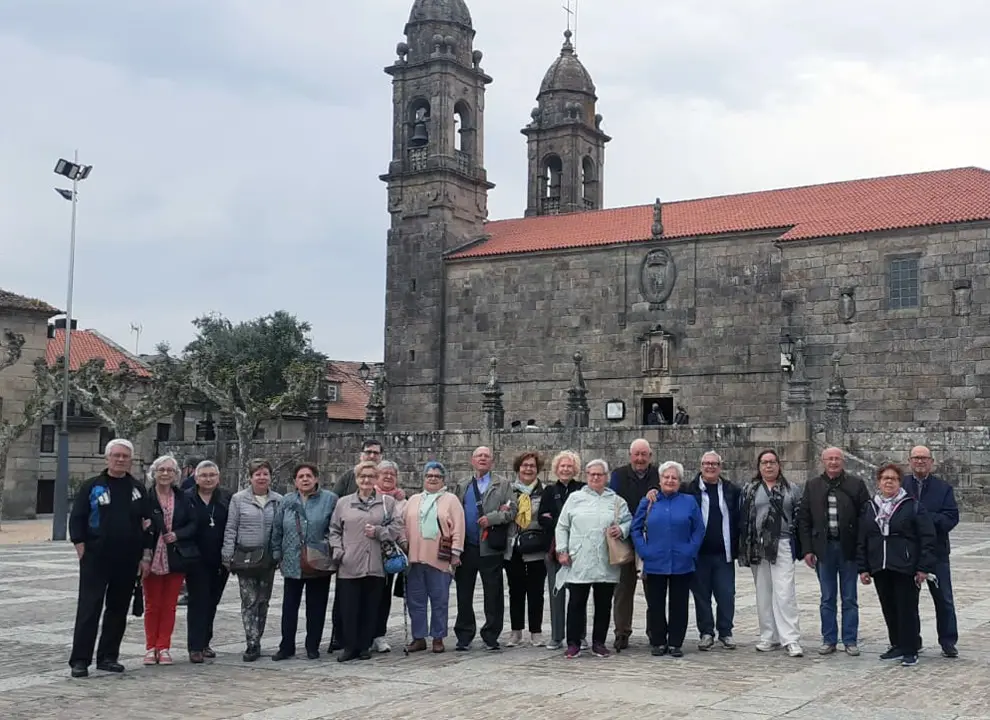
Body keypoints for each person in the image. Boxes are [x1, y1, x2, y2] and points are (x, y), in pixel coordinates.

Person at [68, 439, 154, 678]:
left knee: (117, 609)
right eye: (116, 455)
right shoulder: (91, 486)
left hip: (127, 559)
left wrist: (145, 556)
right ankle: (80, 660)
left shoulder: (138, 489)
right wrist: (81, 547)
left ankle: (108, 656)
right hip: (96, 557)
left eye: (125, 456)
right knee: (89, 608)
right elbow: (77, 518)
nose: (120, 459)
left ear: (131, 460)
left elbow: (147, 525)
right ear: (107, 458)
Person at [857, 463, 936, 667]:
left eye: (893, 478)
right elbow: (863, 538)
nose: (889, 481)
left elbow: (927, 537)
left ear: (900, 482)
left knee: (907, 608)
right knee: (889, 607)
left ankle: (910, 648)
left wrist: (922, 567)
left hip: (905, 564)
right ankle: (897, 644)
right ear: (879, 482)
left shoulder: (912, 505)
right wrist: (863, 567)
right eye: (885, 478)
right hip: (880, 565)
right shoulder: (870, 506)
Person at [329, 460, 405, 662]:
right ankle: (349, 646)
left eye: (371, 476)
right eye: (362, 476)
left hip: (375, 563)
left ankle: (364, 646)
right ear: (356, 479)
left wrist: (380, 532)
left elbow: (397, 527)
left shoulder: (387, 503)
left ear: (376, 479)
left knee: (371, 607)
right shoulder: (343, 503)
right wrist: (338, 551)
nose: (366, 480)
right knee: (349, 607)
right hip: (349, 563)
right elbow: (334, 530)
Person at [797, 446, 870, 656]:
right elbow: (804, 519)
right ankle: (829, 639)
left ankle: (850, 639)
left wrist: (861, 549)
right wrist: (807, 549)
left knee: (849, 597)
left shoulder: (856, 485)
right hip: (824, 549)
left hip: (848, 548)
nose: (833, 462)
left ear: (843, 462)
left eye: (837, 459)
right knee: (827, 597)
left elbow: (865, 518)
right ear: (823, 462)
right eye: (829, 459)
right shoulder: (813, 486)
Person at [555, 459, 632, 659]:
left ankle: (599, 642)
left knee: (603, 603)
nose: (596, 478)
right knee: (576, 603)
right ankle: (573, 642)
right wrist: (562, 550)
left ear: (606, 477)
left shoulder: (616, 500)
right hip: (579, 558)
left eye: (600, 474)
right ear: (587, 476)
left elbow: (628, 521)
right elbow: (562, 526)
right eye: (592, 474)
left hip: (606, 559)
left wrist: (621, 529)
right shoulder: (575, 498)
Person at [632, 461, 704, 657]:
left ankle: (675, 642)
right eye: (666, 477)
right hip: (655, 560)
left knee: (679, 604)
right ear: (660, 480)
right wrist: (644, 550)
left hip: (682, 560)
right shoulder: (648, 501)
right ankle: (658, 641)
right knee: (655, 604)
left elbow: (699, 529)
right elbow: (636, 528)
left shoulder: (689, 501)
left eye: (674, 478)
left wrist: (691, 550)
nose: (670, 480)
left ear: (680, 481)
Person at [739, 449, 804, 657]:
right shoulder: (750, 489)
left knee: (784, 592)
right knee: (763, 593)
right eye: (764, 462)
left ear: (779, 465)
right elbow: (745, 518)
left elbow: (798, 517)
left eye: (772, 462)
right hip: (758, 545)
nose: (768, 466)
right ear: (759, 466)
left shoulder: (790, 489)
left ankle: (790, 638)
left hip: (782, 543)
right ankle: (769, 635)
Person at [270, 463, 338, 661]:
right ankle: (286, 646)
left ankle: (312, 645)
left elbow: (334, 527)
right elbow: (277, 528)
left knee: (316, 606)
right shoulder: (287, 501)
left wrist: (326, 546)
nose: (305, 479)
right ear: (295, 481)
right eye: (301, 476)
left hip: (318, 560)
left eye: (309, 476)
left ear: (316, 479)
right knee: (289, 606)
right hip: (292, 559)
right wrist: (276, 553)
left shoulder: (330, 500)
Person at [452, 446, 516, 652]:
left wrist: (493, 518)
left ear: (492, 461)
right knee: (463, 592)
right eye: (479, 456)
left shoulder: (503, 484)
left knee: (493, 594)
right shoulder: (462, 485)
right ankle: (464, 634)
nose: (482, 459)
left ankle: (491, 635)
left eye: (486, 456)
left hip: (491, 547)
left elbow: (512, 510)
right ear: (472, 460)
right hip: (467, 546)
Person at [222, 459, 282, 662]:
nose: (262, 477)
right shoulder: (239, 500)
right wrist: (227, 554)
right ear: (250, 477)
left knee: (263, 602)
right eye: (258, 474)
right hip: (245, 557)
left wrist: (278, 554)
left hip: (267, 559)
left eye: (265, 473)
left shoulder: (278, 500)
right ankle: (252, 642)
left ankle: (259, 636)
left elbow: (280, 529)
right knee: (249, 601)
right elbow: (231, 528)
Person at [402, 461, 465, 653]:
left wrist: (456, 552)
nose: (432, 479)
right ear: (424, 478)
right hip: (414, 558)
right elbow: (402, 523)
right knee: (416, 600)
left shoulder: (450, 499)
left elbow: (459, 527)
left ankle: (438, 637)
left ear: (443, 479)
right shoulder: (413, 500)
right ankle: (418, 637)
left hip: (440, 559)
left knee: (439, 600)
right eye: (429, 475)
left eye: (437, 476)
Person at [902, 446, 959, 658]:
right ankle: (912, 641)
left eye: (924, 458)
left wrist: (924, 519)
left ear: (931, 462)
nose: (920, 462)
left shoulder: (943, 488)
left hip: (937, 553)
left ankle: (948, 640)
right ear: (909, 461)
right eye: (916, 458)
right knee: (908, 600)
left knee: (944, 599)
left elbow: (951, 517)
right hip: (909, 553)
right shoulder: (902, 486)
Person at [328, 438, 383, 651]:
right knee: (345, 601)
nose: (371, 456)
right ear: (361, 454)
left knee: (372, 601)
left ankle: (368, 640)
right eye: (368, 452)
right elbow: (334, 511)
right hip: (349, 554)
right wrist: (338, 549)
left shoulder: (383, 486)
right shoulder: (347, 478)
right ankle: (339, 637)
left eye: (375, 453)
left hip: (374, 556)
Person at [144, 455, 198, 666]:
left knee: (169, 605)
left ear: (176, 475)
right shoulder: (145, 497)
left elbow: (193, 524)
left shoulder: (184, 497)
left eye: (170, 470)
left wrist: (178, 534)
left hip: (175, 555)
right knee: (152, 604)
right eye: (161, 470)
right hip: (151, 556)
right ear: (154, 473)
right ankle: (150, 647)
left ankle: (163, 646)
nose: (165, 474)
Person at [687, 451, 741, 651]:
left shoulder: (731, 490)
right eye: (706, 463)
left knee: (726, 594)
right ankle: (706, 632)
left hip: (723, 552)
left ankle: (726, 632)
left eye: (714, 464)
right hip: (699, 553)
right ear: (700, 466)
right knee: (702, 595)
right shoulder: (690, 490)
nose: (710, 467)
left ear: (720, 466)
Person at [609, 438, 659, 650]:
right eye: (636, 454)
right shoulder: (619, 475)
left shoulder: (658, 474)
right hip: (626, 539)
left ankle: (654, 632)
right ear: (630, 456)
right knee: (623, 589)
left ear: (650, 456)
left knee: (653, 590)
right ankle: (621, 632)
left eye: (644, 454)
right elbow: (613, 503)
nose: (640, 459)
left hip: (652, 541)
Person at [538, 450, 585, 650]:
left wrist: (557, 519)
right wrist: (564, 522)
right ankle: (557, 636)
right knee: (556, 593)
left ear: (575, 469)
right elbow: (542, 518)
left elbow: (583, 518)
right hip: (554, 549)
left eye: (569, 466)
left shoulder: (582, 490)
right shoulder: (549, 491)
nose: (565, 469)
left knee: (578, 595)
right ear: (557, 469)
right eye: (562, 466)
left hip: (578, 550)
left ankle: (579, 636)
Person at [185, 460, 230, 663]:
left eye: (212, 475)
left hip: (219, 559)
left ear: (218, 478)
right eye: (204, 475)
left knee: (212, 602)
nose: (208, 478)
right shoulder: (186, 498)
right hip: (195, 558)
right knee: (198, 602)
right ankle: (195, 646)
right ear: (196, 478)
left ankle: (205, 642)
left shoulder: (226, 499)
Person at [505, 451, 549, 647]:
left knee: (536, 590)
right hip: (513, 545)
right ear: (518, 468)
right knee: (515, 590)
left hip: (535, 546)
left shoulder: (544, 491)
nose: (528, 469)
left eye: (532, 466)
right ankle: (516, 631)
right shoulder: (508, 490)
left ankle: (535, 631)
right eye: (524, 465)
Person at [371, 460, 407, 653]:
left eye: (392, 474)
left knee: (383, 595)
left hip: (389, 556)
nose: (388, 477)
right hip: (366, 554)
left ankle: (378, 633)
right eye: (384, 473)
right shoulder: (368, 496)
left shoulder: (402, 501)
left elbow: (403, 527)